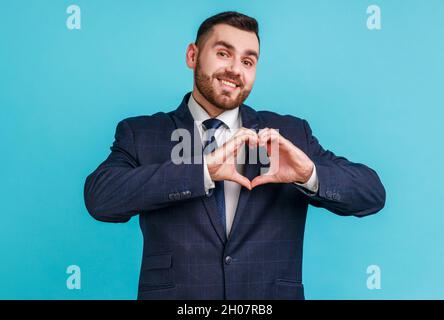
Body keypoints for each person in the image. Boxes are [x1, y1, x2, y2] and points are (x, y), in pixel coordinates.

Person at [84, 11, 386, 300]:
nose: (235, 70)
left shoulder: (290, 134)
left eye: (248, 61)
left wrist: (308, 174)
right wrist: (202, 171)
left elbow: (372, 194)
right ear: (192, 55)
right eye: (223, 53)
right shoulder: (142, 133)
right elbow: (100, 199)